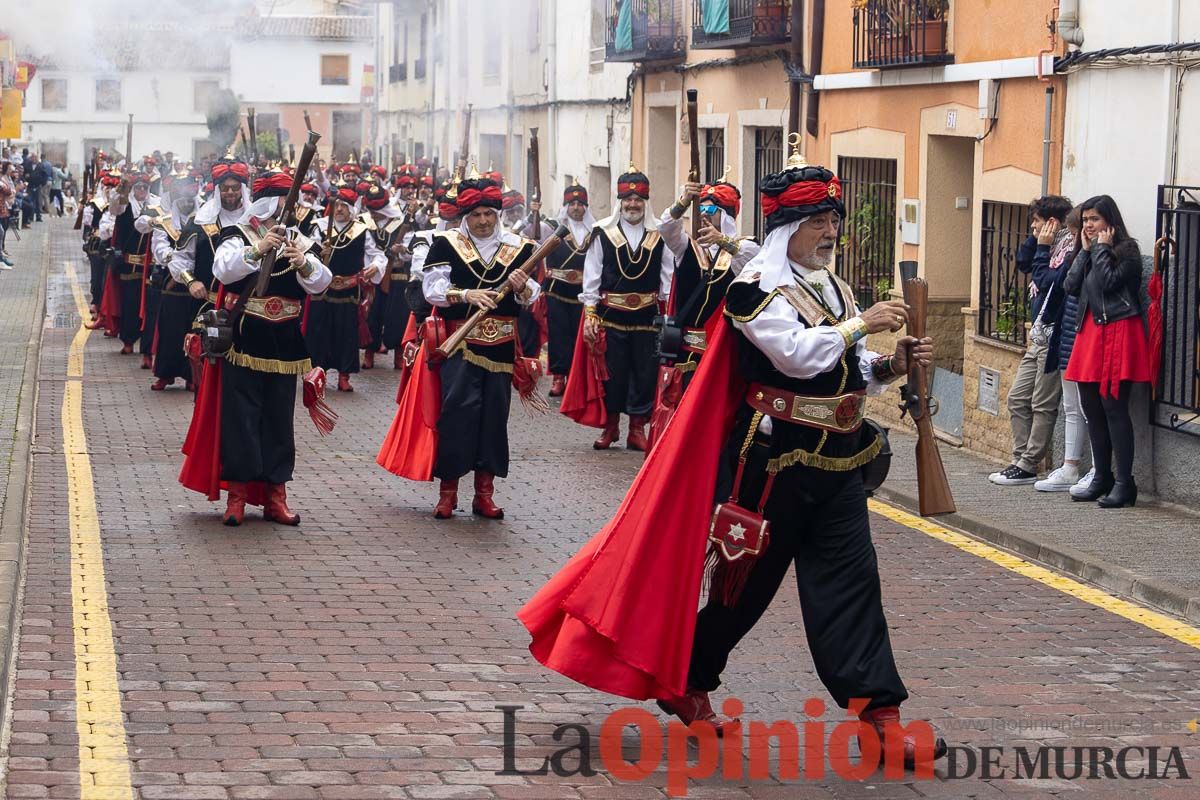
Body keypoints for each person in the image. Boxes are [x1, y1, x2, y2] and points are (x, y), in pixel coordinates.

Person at [519, 150, 947, 768]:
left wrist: (890, 363)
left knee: (855, 586)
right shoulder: (754, 290)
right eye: (818, 221)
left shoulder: (834, 286)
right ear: (785, 228)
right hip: (773, 465)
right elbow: (798, 355)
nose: (830, 232)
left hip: (840, 461)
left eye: (833, 219)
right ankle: (689, 679)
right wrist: (862, 327)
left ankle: (879, 715)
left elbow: (848, 369)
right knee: (742, 595)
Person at [178, 166, 333, 526]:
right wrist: (257, 249)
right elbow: (222, 270)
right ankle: (238, 496)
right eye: (283, 203)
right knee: (241, 421)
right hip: (245, 339)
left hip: (286, 343)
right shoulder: (238, 233)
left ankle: (276, 496)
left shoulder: (300, 238)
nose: (290, 209)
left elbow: (320, 284)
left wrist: (305, 263)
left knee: (279, 423)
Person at [421, 173, 543, 520]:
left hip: (502, 346)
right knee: (458, 414)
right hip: (460, 343)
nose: (484, 221)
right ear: (465, 217)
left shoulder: (518, 248)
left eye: (489, 213)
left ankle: (484, 494)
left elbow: (534, 296)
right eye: (476, 215)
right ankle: (448, 492)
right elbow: (431, 289)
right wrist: (465, 294)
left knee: (493, 419)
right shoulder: (445, 244)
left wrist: (521, 287)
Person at [564, 165, 674, 451]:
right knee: (612, 375)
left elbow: (668, 278)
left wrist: (668, 312)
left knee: (645, 374)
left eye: (638, 200)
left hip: (647, 318)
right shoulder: (602, 232)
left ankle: (636, 428)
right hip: (611, 317)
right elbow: (592, 274)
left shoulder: (659, 235)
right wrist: (590, 312)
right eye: (628, 200)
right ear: (620, 202)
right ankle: (610, 426)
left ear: (645, 202)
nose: (633, 204)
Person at [1063, 195, 1151, 508]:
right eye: (1085, 220)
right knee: (1091, 407)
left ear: (1109, 222)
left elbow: (1111, 282)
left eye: (1094, 220)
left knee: (1114, 407)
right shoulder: (1088, 250)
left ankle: (1125, 483)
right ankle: (1102, 476)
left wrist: (1100, 249)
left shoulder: (1128, 250)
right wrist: (1085, 253)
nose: (1088, 225)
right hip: (1090, 334)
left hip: (1118, 332)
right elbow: (1070, 287)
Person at [988, 195, 1073, 486]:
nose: (1032, 228)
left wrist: (1044, 247)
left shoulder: (1068, 247)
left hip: (1053, 335)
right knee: (1017, 398)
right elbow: (1024, 262)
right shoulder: (1044, 243)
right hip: (1036, 335)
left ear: (1052, 222)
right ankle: (1020, 458)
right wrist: (1037, 240)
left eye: (1036, 222)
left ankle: (1029, 463)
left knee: (1042, 402)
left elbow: (1049, 280)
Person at [306, 182, 387, 392]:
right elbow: (307, 253)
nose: (340, 209)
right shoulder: (320, 227)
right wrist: (317, 252)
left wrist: (376, 266)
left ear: (351, 208)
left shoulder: (361, 230)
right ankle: (318, 374)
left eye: (344, 206)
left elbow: (378, 254)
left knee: (346, 334)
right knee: (320, 333)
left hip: (349, 291)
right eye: (337, 205)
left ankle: (344, 376)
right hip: (323, 290)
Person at [1035, 207, 1094, 493]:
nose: (1075, 238)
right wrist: (1079, 251)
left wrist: (1095, 252)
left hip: (1087, 339)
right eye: (1076, 231)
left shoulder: (1114, 254)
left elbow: (1094, 287)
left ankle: (1097, 469)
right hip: (1068, 336)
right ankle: (1070, 466)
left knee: (1090, 407)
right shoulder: (1076, 254)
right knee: (1071, 406)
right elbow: (1066, 284)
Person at [147, 169, 202, 391]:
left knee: (194, 329)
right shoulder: (166, 221)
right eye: (184, 201)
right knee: (170, 331)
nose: (187, 204)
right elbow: (159, 246)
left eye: (191, 201)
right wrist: (176, 262)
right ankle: (165, 375)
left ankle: (191, 376)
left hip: (199, 284)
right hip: (172, 281)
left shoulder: (203, 219)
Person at [99, 172, 160, 356]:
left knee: (149, 305)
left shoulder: (155, 204)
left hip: (149, 265)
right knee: (129, 304)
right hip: (129, 265)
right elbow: (114, 206)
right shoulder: (124, 205)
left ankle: (146, 344)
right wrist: (122, 187)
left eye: (145, 188)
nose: (142, 190)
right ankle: (128, 340)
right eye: (138, 187)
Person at [543, 183, 594, 397]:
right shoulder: (552, 227)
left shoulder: (595, 230)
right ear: (565, 206)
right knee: (559, 335)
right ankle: (558, 377)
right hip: (557, 290)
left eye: (580, 203)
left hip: (583, 291)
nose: (576, 207)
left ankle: (577, 377)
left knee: (579, 336)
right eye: (571, 203)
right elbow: (536, 244)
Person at [362, 184, 411, 369]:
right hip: (372, 275)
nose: (373, 214)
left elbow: (410, 252)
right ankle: (369, 352)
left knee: (397, 316)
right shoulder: (365, 222)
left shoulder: (401, 223)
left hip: (397, 275)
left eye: (376, 210)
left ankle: (398, 354)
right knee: (371, 316)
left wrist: (401, 251)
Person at [0, 162, 15, 269]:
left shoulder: (2, 179)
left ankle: (1, 258)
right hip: (2, 207)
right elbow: (8, 190)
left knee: (1, 232)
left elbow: (8, 190)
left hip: (2, 207)